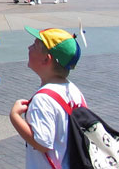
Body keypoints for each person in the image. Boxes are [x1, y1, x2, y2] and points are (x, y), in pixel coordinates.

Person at [9, 27, 84, 168]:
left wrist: (15, 117)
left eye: (35, 45)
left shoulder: (42, 99)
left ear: (46, 59)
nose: (29, 47)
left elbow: (42, 143)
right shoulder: (74, 91)